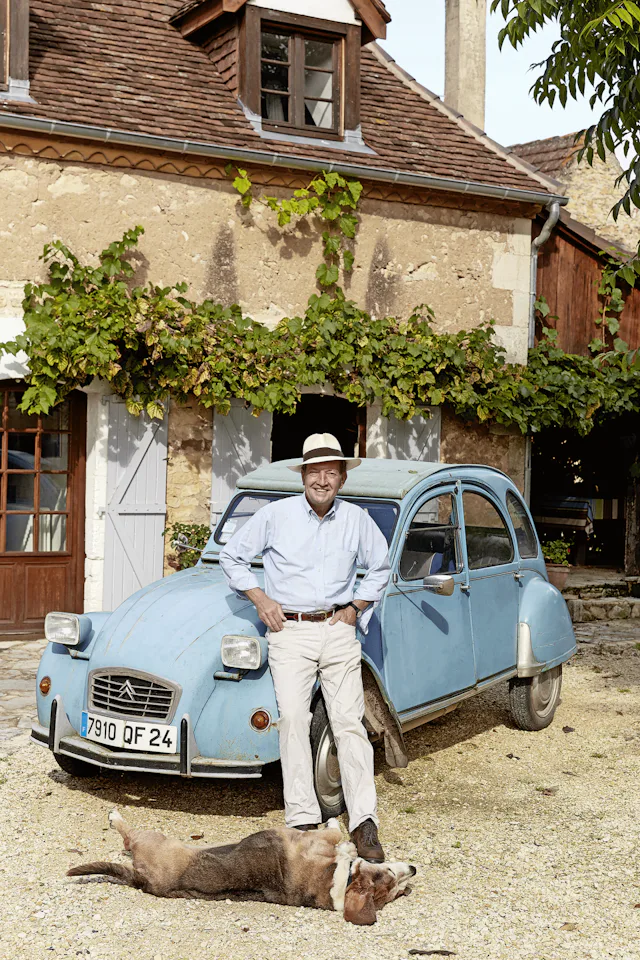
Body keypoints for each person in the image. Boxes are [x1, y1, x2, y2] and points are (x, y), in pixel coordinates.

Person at [220, 433, 391, 862]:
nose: (322, 479)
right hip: (289, 631)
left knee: (349, 722)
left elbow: (381, 567)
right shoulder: (275, 515)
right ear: (303, 476)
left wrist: (356, 607)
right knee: (294, 718)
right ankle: (301, 821)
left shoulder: (357, 519)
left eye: (331, 472)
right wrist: (260, 599)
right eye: (314, 471)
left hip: (336, 628)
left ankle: (364, 823)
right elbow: (232, 557)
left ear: (342, 478)